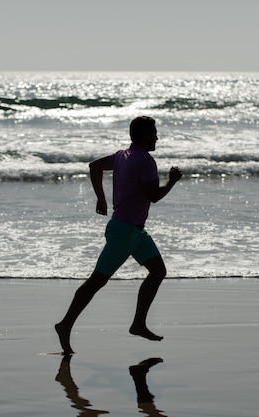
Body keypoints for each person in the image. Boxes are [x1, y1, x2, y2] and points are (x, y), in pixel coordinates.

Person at [55, 116, 183, 355]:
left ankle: (138, 324)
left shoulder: (121, 156)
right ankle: (65, 325)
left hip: (134, 231)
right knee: (96, 281)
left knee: (158, 271)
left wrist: (101, 199)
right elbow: (154, 196)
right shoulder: (145, 160)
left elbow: (94, 166)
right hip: (124, 232)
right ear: (144, 135)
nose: (157, 137)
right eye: (154, 132)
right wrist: (172, 181)